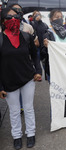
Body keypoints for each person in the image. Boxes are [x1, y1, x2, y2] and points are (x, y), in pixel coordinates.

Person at [0, 7, 42, 149]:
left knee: (28, 108)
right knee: (14, 111)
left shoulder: (26, 36)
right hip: (9, 81)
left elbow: (35, 55)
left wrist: (38, 71)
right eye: (8, 18)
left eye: (15, 17)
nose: (13, 20)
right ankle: (16, 136)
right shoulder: (0, 39)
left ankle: (31, 133)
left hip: (27, 79)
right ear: (2, 21)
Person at [42, 9, 66, 82]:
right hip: (54, 70)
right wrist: (46, 47)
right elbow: (43, 54)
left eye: (61, 17)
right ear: (51, 19)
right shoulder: (48, 34)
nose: (59, 19)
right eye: (57, 17)